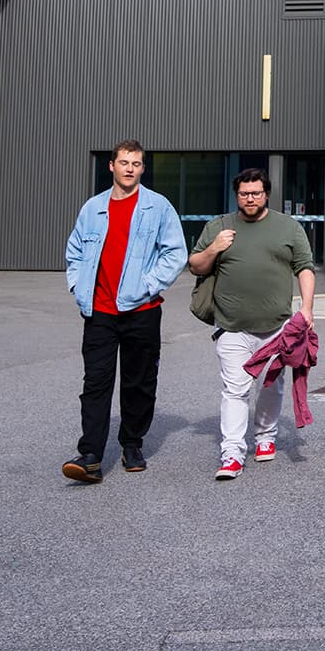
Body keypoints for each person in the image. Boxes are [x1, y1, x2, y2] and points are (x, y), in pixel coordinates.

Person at [60, 140, 188, 482]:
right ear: (111, 166)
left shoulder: (157, 207)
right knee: (95, 384)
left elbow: (175, 253)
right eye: (124, 162)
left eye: (136, 163)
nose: (130, 168)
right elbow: (74, 251)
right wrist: (78, 286)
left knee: (139, 383)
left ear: (142, 169)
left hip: (141, 310)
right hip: (99, 311)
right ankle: (90, 455)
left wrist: (147, 285)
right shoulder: (93, 208)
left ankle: (132, 443)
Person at [188, 168, 316, 480]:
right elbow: (196, 266)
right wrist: (215, 247)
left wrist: (308, 309)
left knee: (271, 386)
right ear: (237, 195)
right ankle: (232, 452)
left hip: (276, 327)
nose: (250, 198)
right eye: (244, 193)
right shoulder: (220, 226)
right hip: (232, 326)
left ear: (266, 194)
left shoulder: (287, 227)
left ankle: (265, 437)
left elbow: (304, 267)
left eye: (256, 193)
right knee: (235, 390)